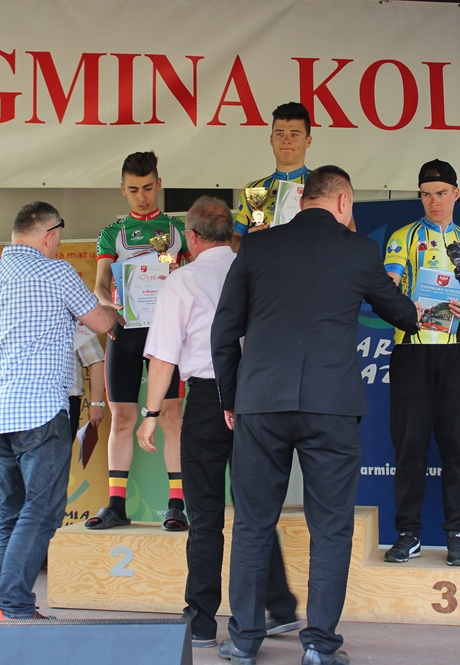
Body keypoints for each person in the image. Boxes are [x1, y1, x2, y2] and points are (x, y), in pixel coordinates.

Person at [212, 166, 419, 665]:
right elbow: (404, 315)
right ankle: (320, 646)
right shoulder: (359, 251)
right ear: (344, 201)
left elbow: (224, 329)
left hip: (261, 401)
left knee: (252, 524)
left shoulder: (257, 246)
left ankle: (244, 640)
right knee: (330, 528)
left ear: (303, 198)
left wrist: (231, 397)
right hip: (331, 406)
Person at [137, 197, 299, 649]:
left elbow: (163, 358)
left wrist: (151, 415)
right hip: (259, 398)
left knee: (205, 514)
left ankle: (203, 621)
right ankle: (280, 605)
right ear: (231, 233)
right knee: (255, 510)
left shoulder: (181, 280)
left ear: (190, 237)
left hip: (209, 400)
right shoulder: (258, 272)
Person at [0, 201, 121, 620]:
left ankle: (6, 606)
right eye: (58, 238)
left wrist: (9, 348)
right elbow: (102, 324)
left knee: (12, 511)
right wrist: (119, 305)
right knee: (41, 510)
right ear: (49, 235)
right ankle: (14, 605)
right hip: (40, 409)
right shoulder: (58, 272)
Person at [381, 159, 460, 566]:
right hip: (412, 347)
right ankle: (408, 533)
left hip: (456, 349)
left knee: (458, 443)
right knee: (409, 443)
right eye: (426, 194)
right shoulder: (403, 237)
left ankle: (458, 534)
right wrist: (401, 305)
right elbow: (388, 284)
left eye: (441, 193)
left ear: (456, 194)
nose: (434, 201)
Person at [87, 151, 191, 532]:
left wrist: (178, 274)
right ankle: (116, 504)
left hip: (166, 332)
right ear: (122, 190)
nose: (142, 197)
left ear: (159, 184)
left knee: (172, 417)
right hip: (126, 330)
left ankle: (176, 505)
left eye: (148, 188)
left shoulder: (177, 230)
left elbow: (190, 276)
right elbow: (100, 286)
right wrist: (108, 307)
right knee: (123, 418)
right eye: (133, 190)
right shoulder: (112, 233)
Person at [231, 102, 353, 252]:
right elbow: (234, 241)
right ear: (271, 139)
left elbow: (350, 234)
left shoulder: (327, 184)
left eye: (294, 134)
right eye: (280, 134)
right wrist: (252, 241)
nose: (286, 140)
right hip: (268, 265)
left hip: (313, 264)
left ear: (308, 141)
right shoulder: (254, 189)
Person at [68, 333, 106, 432]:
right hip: (30, 400)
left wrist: (96, 403)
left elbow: (96, 359)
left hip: (67, 400)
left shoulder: (77, 323)